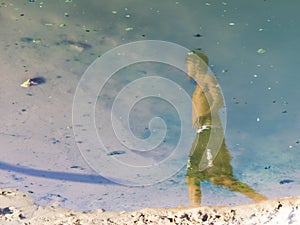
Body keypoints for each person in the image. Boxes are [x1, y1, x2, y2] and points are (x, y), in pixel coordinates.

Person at [185, 52, 268, 207]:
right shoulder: (198, 85)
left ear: (197, 64)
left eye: (189, 63)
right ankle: (194, 209)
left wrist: (207, 114)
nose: (187, 67)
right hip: (202, 132)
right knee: (192, 174)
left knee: (220, 177)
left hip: (211, 131)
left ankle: (258, 197)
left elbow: (219, 99)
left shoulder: (207, 79)